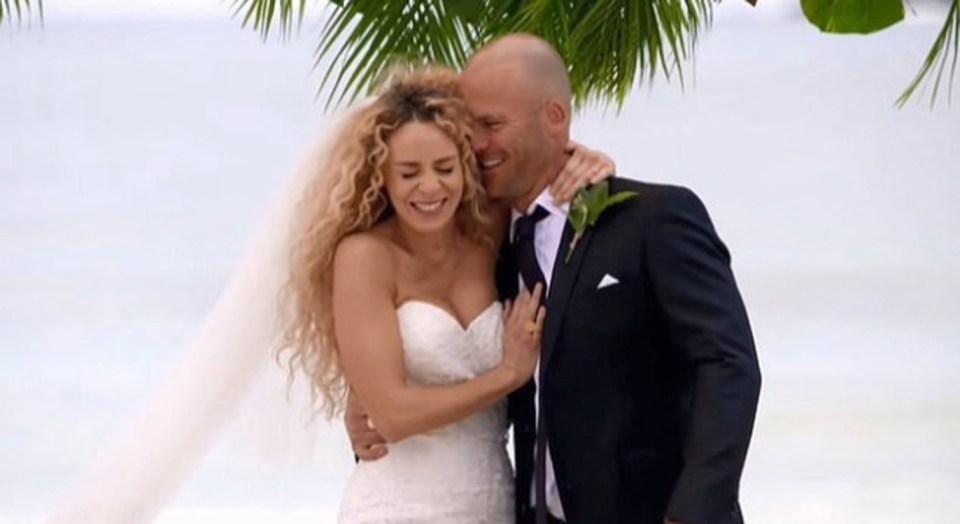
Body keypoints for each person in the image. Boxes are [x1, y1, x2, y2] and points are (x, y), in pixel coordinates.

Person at [349, 35, 762, 524]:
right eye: (469, 126)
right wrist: (364, 396)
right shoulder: (489, 244)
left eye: (492, 125)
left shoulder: (654, 219)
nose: (476, 145)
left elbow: (726, 364)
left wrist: (694, 513)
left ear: (555, 119)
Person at [280, 65, 615, 522]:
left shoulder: (489, 233)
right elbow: (392, 413)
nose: (430, 187)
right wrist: (506, 374)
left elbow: (539, 174)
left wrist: (589, 160)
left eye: (444, 168)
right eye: (409, 173)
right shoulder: (364, 257)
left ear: (464, 164)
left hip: (492, 500)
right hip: (397, 505)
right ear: (383, 179)